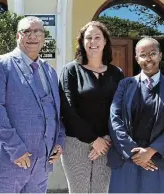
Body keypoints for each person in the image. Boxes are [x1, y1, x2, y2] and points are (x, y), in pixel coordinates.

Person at [0, 16, 65, 193]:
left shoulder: (49, 71)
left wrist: (58, 141)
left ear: (43, 37)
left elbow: (57, 110)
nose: (32, 36)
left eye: (38, 32)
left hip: (41, 165)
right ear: (18, 36)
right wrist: (15, 149)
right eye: (27, 31)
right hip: (10, 161)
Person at [107, 37, 164, 193]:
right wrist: (134, 152)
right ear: (136, 59)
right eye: (143, 55)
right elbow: (114, 118)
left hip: (156, 159)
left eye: (153, 53)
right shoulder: (125, 85)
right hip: (126, 158)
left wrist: (150, 151)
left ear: (160, 55)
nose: (148, 59)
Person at [59, 21, 124, 193]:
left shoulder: (116, 73)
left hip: (107, 143)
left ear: (105, 42)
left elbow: (121, 110)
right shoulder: (71, 70)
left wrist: (108, 139)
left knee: (100, 191)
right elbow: (68, 110)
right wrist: (94, 140)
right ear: (82, 42)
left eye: (97, 37)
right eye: (88, 38)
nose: (93, 42)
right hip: (76, 142)